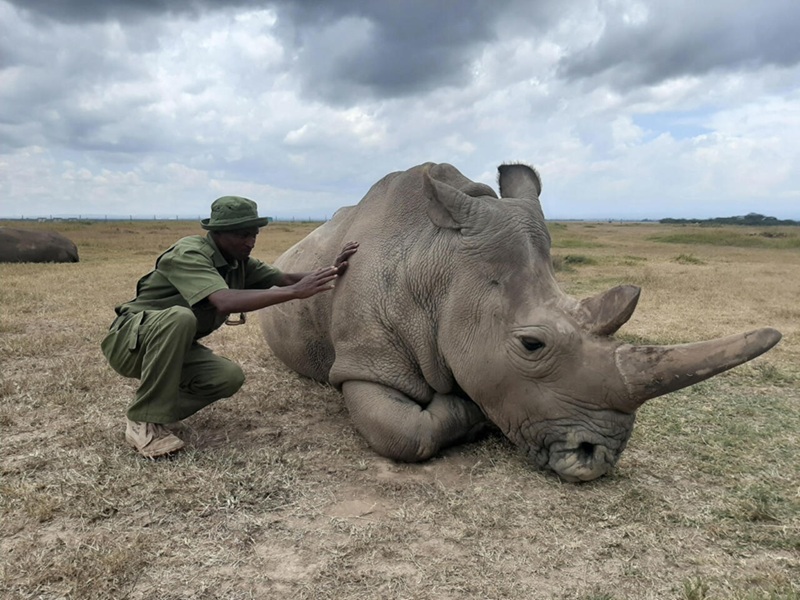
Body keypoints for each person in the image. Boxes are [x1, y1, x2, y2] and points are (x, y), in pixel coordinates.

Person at [101, 196, 359, 459]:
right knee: (180, 317)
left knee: (227, 377)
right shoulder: (189, 253)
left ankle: (154, 413)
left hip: (171, 347)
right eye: (242, 235)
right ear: (217, 233)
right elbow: (223, 301)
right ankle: (144, 421)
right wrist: (295, 293)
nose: (250, 242)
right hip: (131, 344)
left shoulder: (239, 263)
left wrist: (334, 270)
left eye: (254, 234)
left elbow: (287, 278)